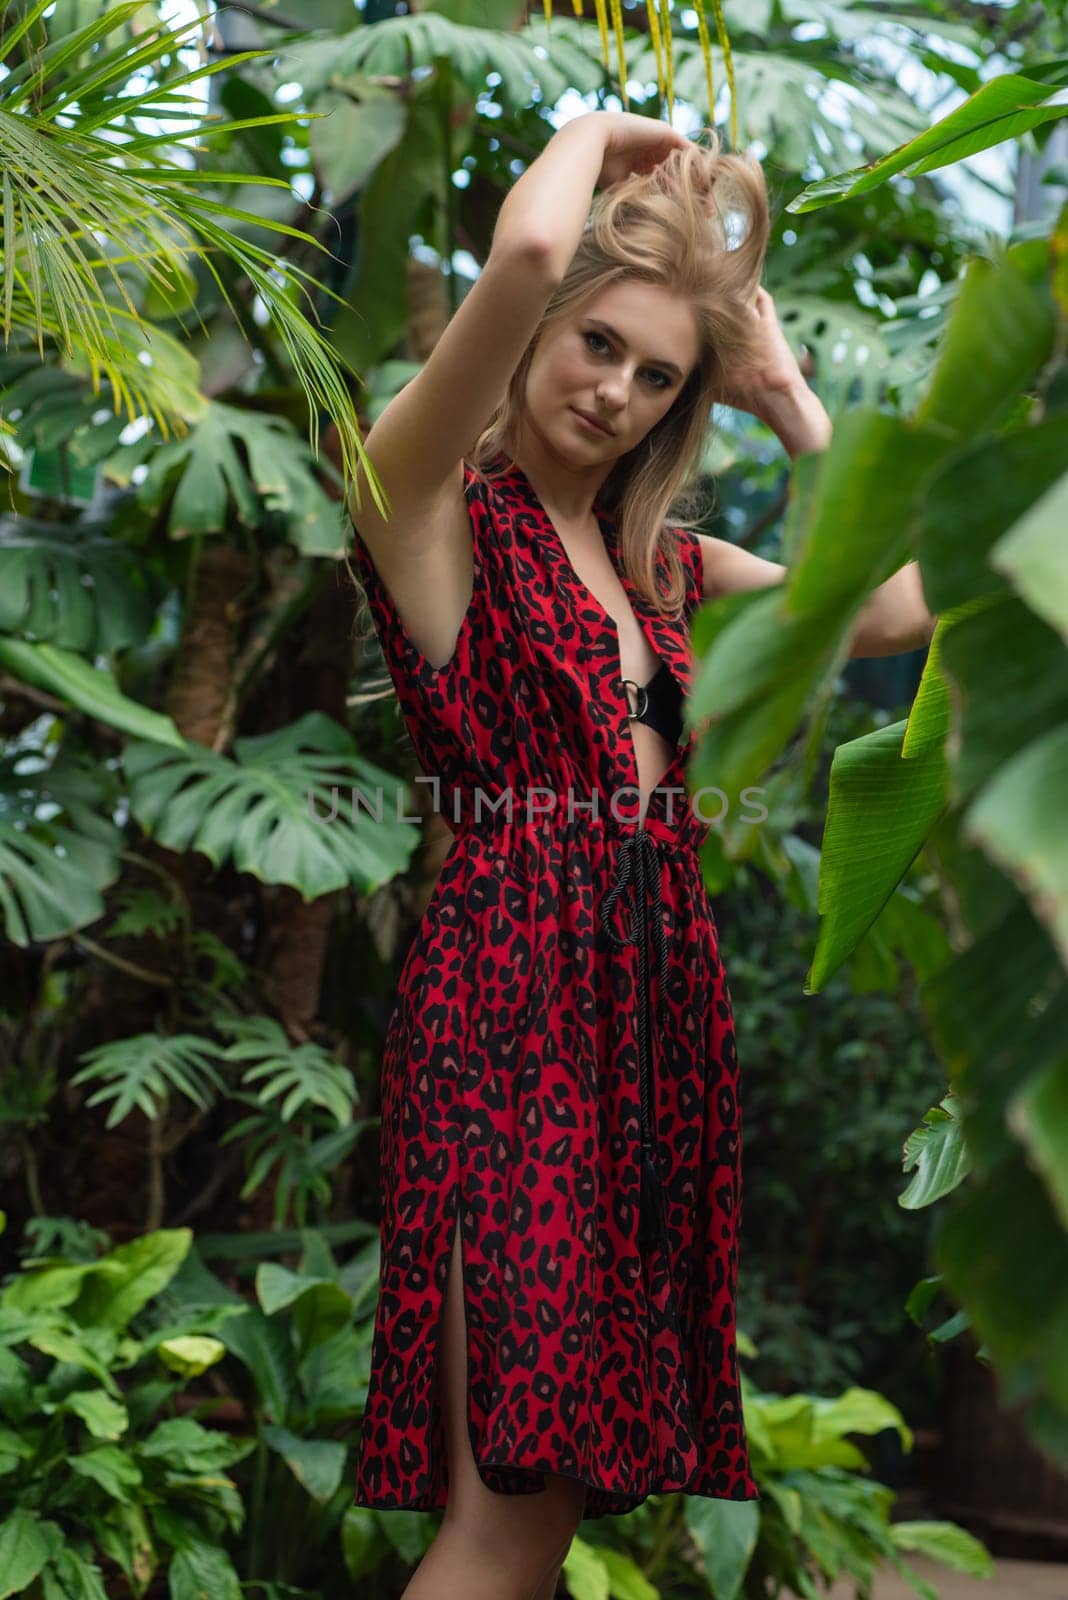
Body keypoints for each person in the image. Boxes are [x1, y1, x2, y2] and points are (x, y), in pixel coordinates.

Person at [344, 109, 935, 1600]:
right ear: (541, 330)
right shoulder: (427, 508)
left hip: (649, 1017)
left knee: (547, 1513)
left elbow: (913, 598)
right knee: (502, 1506)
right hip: (511, 1007)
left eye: (659, 375)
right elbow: (538, 243)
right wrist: (587, 132)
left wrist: (780, 382)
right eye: (598, 344)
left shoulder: (662, 568)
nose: (617, 390)